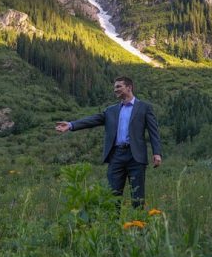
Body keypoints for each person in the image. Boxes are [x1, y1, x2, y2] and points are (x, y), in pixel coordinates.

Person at [56, 76, 162, 209]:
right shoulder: (111, 110)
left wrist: (157, 153)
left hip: (136, 157)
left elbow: (154, 132)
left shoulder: (144, 107)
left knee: (138, 197)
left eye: (119, 87)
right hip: (116, 156)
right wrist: (71, 125)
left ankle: (139, 228)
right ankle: (114, 227)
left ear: (129, 87)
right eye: (114, 87)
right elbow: (93, 120)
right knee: (112, 196)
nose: (115, 90)